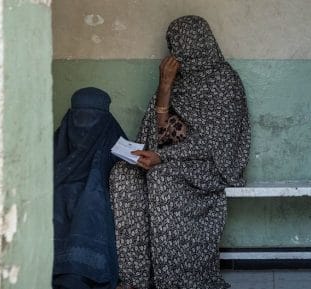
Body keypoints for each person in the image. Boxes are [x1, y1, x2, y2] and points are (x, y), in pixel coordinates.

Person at [109, 15, 250, 289]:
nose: (177, 53)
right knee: (122, 176)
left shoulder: (225, 81)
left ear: (199, 43)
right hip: (170, 158)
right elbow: (163, 136)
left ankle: (174, 280)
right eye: (173, 46)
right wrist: (164, 86)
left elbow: (216, 142)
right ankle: (136, 278)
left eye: (181, 45)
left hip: (210, 164)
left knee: (163, 178)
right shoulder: (177, 81)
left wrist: (164, 157)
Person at [53, 87, 125, 289]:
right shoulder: (56, 143)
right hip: (62, 194)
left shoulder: (111, 136)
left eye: (92, 117)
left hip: (96, 195)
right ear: (71, 115)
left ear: (104, 117)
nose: (85, 123)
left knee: (91, 200)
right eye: (80, 116)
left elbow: (128, 170)